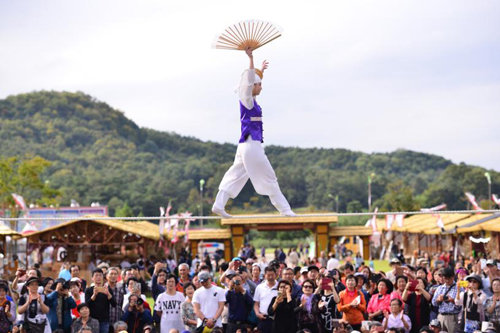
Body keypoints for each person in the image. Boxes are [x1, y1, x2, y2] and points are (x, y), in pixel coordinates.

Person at [211, 47, 295, 218]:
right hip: (251, 145)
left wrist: (261, 71)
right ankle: (285, 210)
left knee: (235, 175)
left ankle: (218, 205)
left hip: (245, 145)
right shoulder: (247, 100)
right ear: (252, 87)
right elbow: (249, 81)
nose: (261, 88)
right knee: (269, 177)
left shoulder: (252, 101)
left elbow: (253, 80)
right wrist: (251, 59)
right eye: (259, 85)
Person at [85, 268, 117, 333]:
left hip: (104, 320)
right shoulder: (88, 290)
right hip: (92, 319)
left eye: (100, 275)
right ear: (92, 278)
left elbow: (114, 304)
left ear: (103, 277)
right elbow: (87, 305)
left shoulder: (107, 289)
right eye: (96, 275)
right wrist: (94, 295)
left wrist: (108, 294)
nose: (98, 277)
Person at [431, 267, 459, 333]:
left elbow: (461, 305)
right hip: (440, 316)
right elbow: (433, 303)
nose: (447, 280)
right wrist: (438, 300)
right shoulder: (440, 288)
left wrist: (452, 300)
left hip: (452, 316)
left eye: (449, 278)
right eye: (445, 278)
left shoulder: (458, 287)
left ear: (453, 277)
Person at [253, 266, 278, 333]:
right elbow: (256, 304)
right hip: (263, 318)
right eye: (268, 275)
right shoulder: (260, 287)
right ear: (264, 275)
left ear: (276, 275)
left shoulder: (280, 287)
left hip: (277, 319)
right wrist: (258, 314)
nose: (270, 277)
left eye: (272, 275)